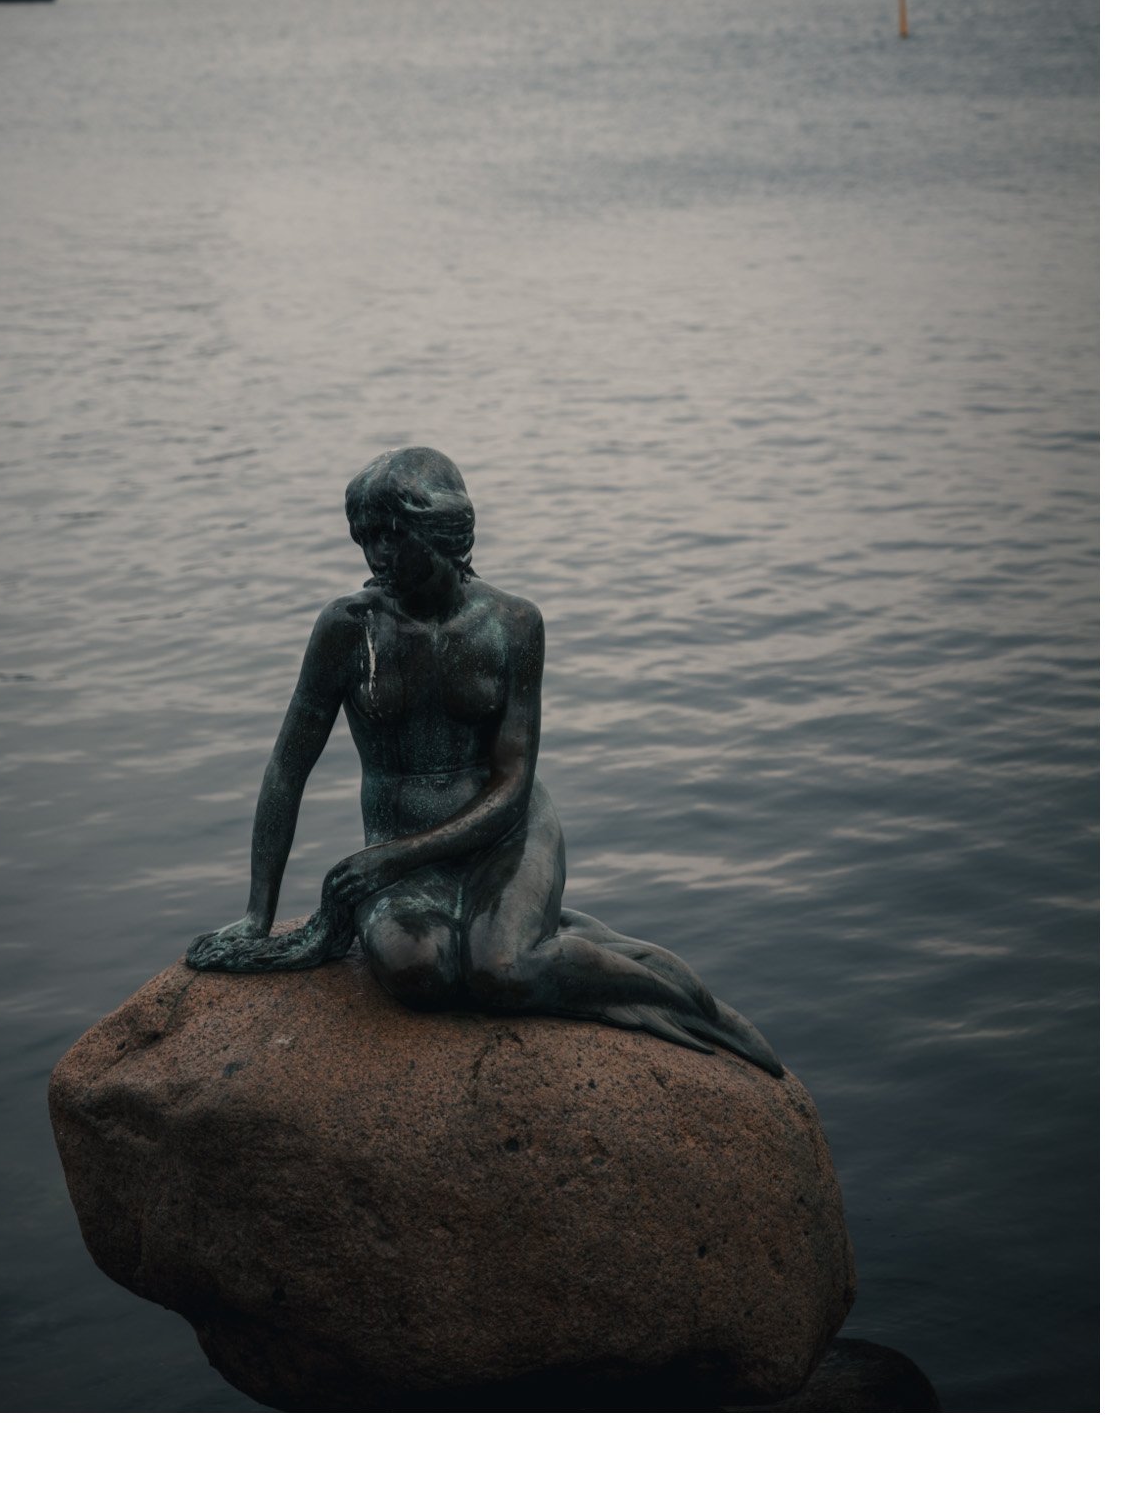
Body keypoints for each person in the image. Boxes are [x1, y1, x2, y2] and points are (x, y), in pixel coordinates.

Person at [186, 447, 782, 1075]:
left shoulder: (514, 623)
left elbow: (514, 782)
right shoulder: (348, 627)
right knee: (420, 973)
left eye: (391, 536)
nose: (376, 558)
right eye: (365, 539)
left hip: (507, 829)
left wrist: (388, 860)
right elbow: (287, 768)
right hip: (402, 839)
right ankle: (547, 931)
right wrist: (258, 916)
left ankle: (684, 1001)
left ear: (441, 530)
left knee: (503, 971)